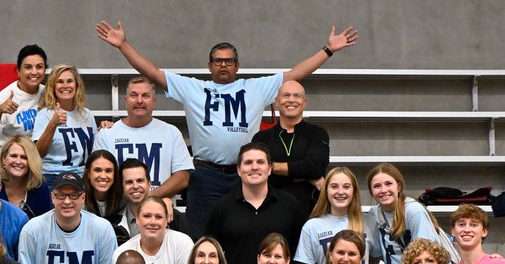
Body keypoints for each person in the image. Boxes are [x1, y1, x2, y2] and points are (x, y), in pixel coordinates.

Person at [96, 20, 358, 236]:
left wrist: (329, 49)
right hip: (204, 175)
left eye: (229, 61)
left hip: (243, 175)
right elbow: (152, 73)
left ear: (237, 66)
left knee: (244, 234)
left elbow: (295, 75)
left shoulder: (255, 87)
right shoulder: (194, 88)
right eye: (218, 60)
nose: (223, 64)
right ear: (209, 66)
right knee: (201, 236)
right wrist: (123, 45)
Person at [17, 173, 115, 264]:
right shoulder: (32, 230)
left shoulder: (102, 229)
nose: (67, 201)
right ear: (52, 197)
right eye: (61, 195)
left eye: (74, 195)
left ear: (83, 198)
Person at [207, 143, 307, 264]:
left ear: (270, 169)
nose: (254, 167)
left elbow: (300, 256)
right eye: (248, 162)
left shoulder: (290, 205)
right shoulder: (222, 208)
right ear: (239, 170)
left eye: (260, 162)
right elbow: (211, 254)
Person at [94, 76, 193, 198]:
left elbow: (182, 177)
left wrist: (149, 198)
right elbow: (98, 176)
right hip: (118, 212)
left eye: (145, 96)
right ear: (125, 100)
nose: (139, 101)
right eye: (134, 95)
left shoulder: (171, 132)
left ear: (154, 101)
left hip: (158, 213)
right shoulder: (106, 134)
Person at [368, 163, 453, 264]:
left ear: (399, 186)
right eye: (377, 186)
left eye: (388, 184)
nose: (383, 190)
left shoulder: (413, 211)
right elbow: (376, 255)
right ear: (371, 192)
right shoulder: (374, 214)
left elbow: (428, 258)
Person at [251, 80, 329, 214]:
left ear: (304, 102)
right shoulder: (261, 138)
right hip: (270, 210)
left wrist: (271, 167)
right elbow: (256, 173)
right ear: (276, 101)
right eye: (286, 95)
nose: (291, 100)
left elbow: (316, 167)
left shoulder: (317, 133)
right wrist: (304, 175)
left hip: (310, 210)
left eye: (297, 96)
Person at [294, 166, 378, 264]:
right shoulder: (312, 226)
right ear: (326, 191)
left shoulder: (369, 221)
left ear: (354, 191)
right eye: (334, 186)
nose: (340, 192)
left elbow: (374, 259)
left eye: (346, 187)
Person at [0, 44, 48, 158]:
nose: (34, 72)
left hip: (30, 158)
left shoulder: (48, 94)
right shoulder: (6, 96)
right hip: (0, 157)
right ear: (18, 71)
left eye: (39, 67)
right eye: (28, 67)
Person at [32, 64, 96, 178]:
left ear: (76, 85)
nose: (65, 86)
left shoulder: (87, 114)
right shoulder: (45, 114)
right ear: (53, 86)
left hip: (82, 177)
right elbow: (37, 153)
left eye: (70, 81)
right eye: (60, 82)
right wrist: (53, 124)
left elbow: (94, 151)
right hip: (53, 176)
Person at [116, 197, 193, 264]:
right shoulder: (122, 252)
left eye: (159, 217)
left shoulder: (182, 243)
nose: (153, 222)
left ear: (166, 220)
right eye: (147, 216)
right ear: (137, 218)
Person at [0, 135, 53, 218]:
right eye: (14, 156)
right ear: (3, 159)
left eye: (24, 157)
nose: (18, 161)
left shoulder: (40, 188)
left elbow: (43, 224)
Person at [82, 150, 129, 244]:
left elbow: (145, 200)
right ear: (88, 174)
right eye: (97, 170)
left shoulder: (124, 198)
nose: (103, 176)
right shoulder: (79, 199)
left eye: (108, 171)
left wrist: (166, 200)